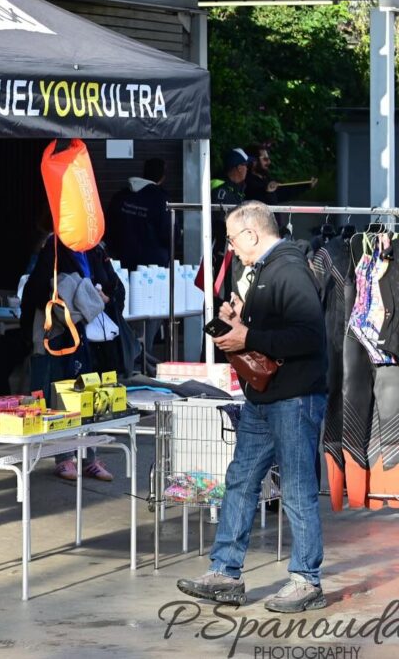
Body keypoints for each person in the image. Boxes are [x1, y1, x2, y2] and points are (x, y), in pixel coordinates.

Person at [176, 201, 328, 613]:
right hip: (266, 397)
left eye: (231, 239)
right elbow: (277, 329)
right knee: (241, 480)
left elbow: (309, 337)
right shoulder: (265, 270)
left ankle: (306, 580)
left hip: (293, 397)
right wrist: (243, 320)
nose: (230, 247)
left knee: (296, 487)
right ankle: (225, 572)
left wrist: (248, 336)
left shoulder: (288, 268)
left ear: (252, 234)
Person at [19, 233, 114, 481]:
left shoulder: (96, 251)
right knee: (59, 396)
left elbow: (113, 285)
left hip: (89, 337)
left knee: (89, 395)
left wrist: (102, 298)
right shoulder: (53, 248)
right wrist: (77, 299)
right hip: (57, 336)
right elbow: (35, 291)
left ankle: (89, 457)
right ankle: (64, 458)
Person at [105, 158, 172, 371]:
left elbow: (109, 230)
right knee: (151, 315)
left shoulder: (121, 196)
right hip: (152, 272)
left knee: (123, 313)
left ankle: (126, 358)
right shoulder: (160, 199)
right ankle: (143, 361)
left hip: (121, 268)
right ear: (162, 175)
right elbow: (168, 234)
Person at [244, 144, 318, 205]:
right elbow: (256, 200)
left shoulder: (266, 178)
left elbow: (284, 193)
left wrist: (306, 185)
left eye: (268, 159)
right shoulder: (246, 181)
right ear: (254, 161)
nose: (269, 162)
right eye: (265, 159)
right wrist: (268, 192)